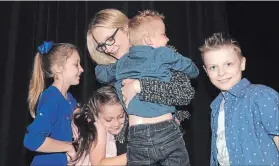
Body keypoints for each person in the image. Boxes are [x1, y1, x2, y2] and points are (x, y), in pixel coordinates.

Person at [94, 10, 198, 166]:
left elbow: (185, 94)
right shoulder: (116, 67)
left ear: (125, 28)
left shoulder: (162, 52)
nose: (107, 48)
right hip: (135, 143)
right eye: (101, 46)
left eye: (109, 39)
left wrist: (140, 86)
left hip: (165, 134)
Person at [199, 32, 279, 166]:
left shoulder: (261, 95)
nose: (221, 72)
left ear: (242, 63)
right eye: (213, 67)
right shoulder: (216, 106)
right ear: (206, 71)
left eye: (228, 64)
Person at [23, 41, 84, 165]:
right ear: (58, 68)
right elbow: (32, 140)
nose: (81, 69)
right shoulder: (51, 98)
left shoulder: (70, 99)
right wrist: (68, 147)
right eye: (76, 64)